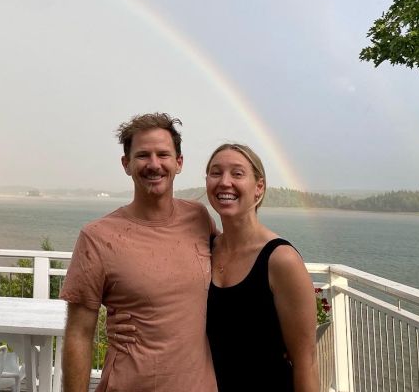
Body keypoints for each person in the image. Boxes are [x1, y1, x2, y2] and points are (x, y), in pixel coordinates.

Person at [108, 142, 319, 392]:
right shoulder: (204, 249)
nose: (224, 182)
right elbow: (163, 296)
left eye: (237, 173)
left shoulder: (280, 260)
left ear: (258, 188)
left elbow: (306, 362)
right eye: (216, 173)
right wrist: (121, 322)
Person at [60, 113, 218, 392]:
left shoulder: (199, 218)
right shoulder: (97, 237)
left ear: (179, 163)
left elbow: (235, 270)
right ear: (126, 164)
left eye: (163, 155)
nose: (154, 164)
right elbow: (78, 334)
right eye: (143, 155)